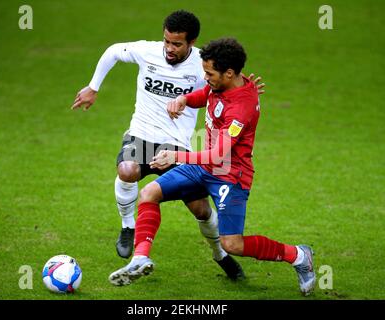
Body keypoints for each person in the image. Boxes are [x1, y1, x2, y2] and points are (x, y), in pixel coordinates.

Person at [108, 38, 316, 296]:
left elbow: (219, 155)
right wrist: (184, 99)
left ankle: (298, 255)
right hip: (204, 166)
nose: (204, 77)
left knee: (233, 244)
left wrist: (175, 157)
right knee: (149, 193)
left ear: (229, 74)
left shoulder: (241, 108)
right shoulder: (223, 83)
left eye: (209, 73)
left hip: (230, 176)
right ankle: (140, 258)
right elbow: (205, 95)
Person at [72, 10, 264, 281]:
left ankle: (220, 252)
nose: (169, 49)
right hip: (141, 134)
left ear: (192, 42)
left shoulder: (203, 65)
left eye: (177, 44)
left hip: (178, 144)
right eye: (167, 41)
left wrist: (245, 88)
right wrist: (93, 87)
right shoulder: (147, 52)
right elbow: (114, 51)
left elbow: (228, 82)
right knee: (127, 170)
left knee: (200, 209)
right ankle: (129, 227)